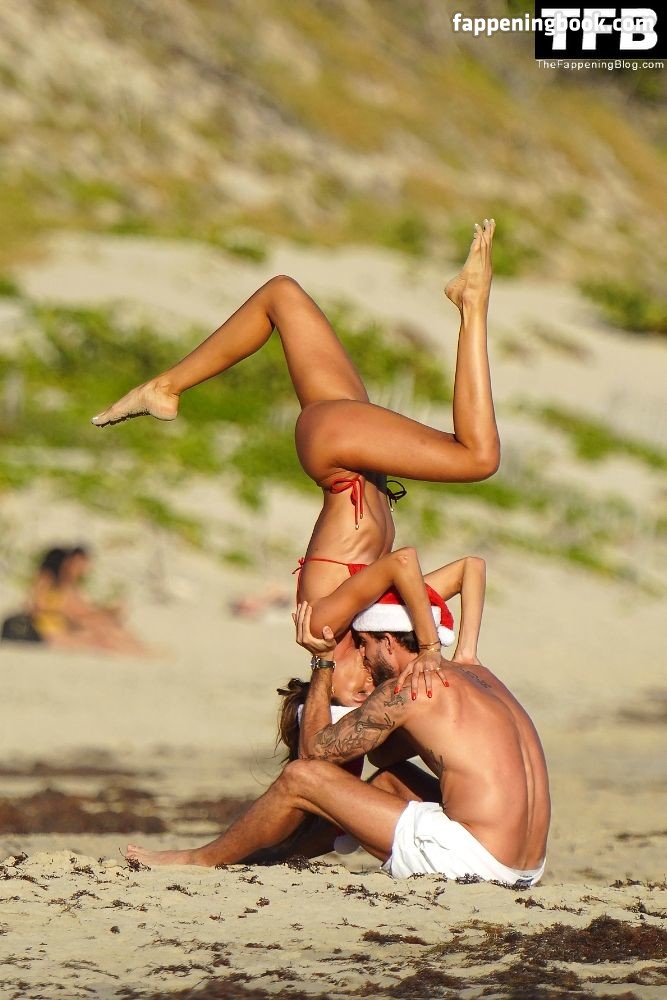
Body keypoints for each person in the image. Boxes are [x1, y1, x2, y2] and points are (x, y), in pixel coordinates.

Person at [92, 221, 499, 691]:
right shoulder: (371, 615)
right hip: (350, 447)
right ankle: (164, 387)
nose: (369, 685)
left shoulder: (323, 628)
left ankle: (472, 304)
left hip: (339, 452)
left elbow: (402, 561)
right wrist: (465, 653)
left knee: (478, 458)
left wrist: (429, 649)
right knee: (282, 295)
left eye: (356, 690)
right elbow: (470, 569)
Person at [125, 598, 550, 886]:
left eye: (364, 645)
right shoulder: (476, 673)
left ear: (387, 642)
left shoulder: (409, 688)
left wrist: (323, 662)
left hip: (477, 862)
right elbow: (383, 754)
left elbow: (314, 754)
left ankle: (199, 860)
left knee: (301, 778)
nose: (362, 658)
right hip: (528, 864)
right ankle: (280, 858)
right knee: (389, 780)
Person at [28, 546, 147, 654]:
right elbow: (42, 607)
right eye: (75, 563)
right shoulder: (49, 582)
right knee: (104, 633)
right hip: (52, 630)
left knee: (107, 629)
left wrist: (106, 613)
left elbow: (81, 610)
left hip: (60, 627)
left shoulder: (66, 586)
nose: (83, 568)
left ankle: (139, 651)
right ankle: (139, 652)